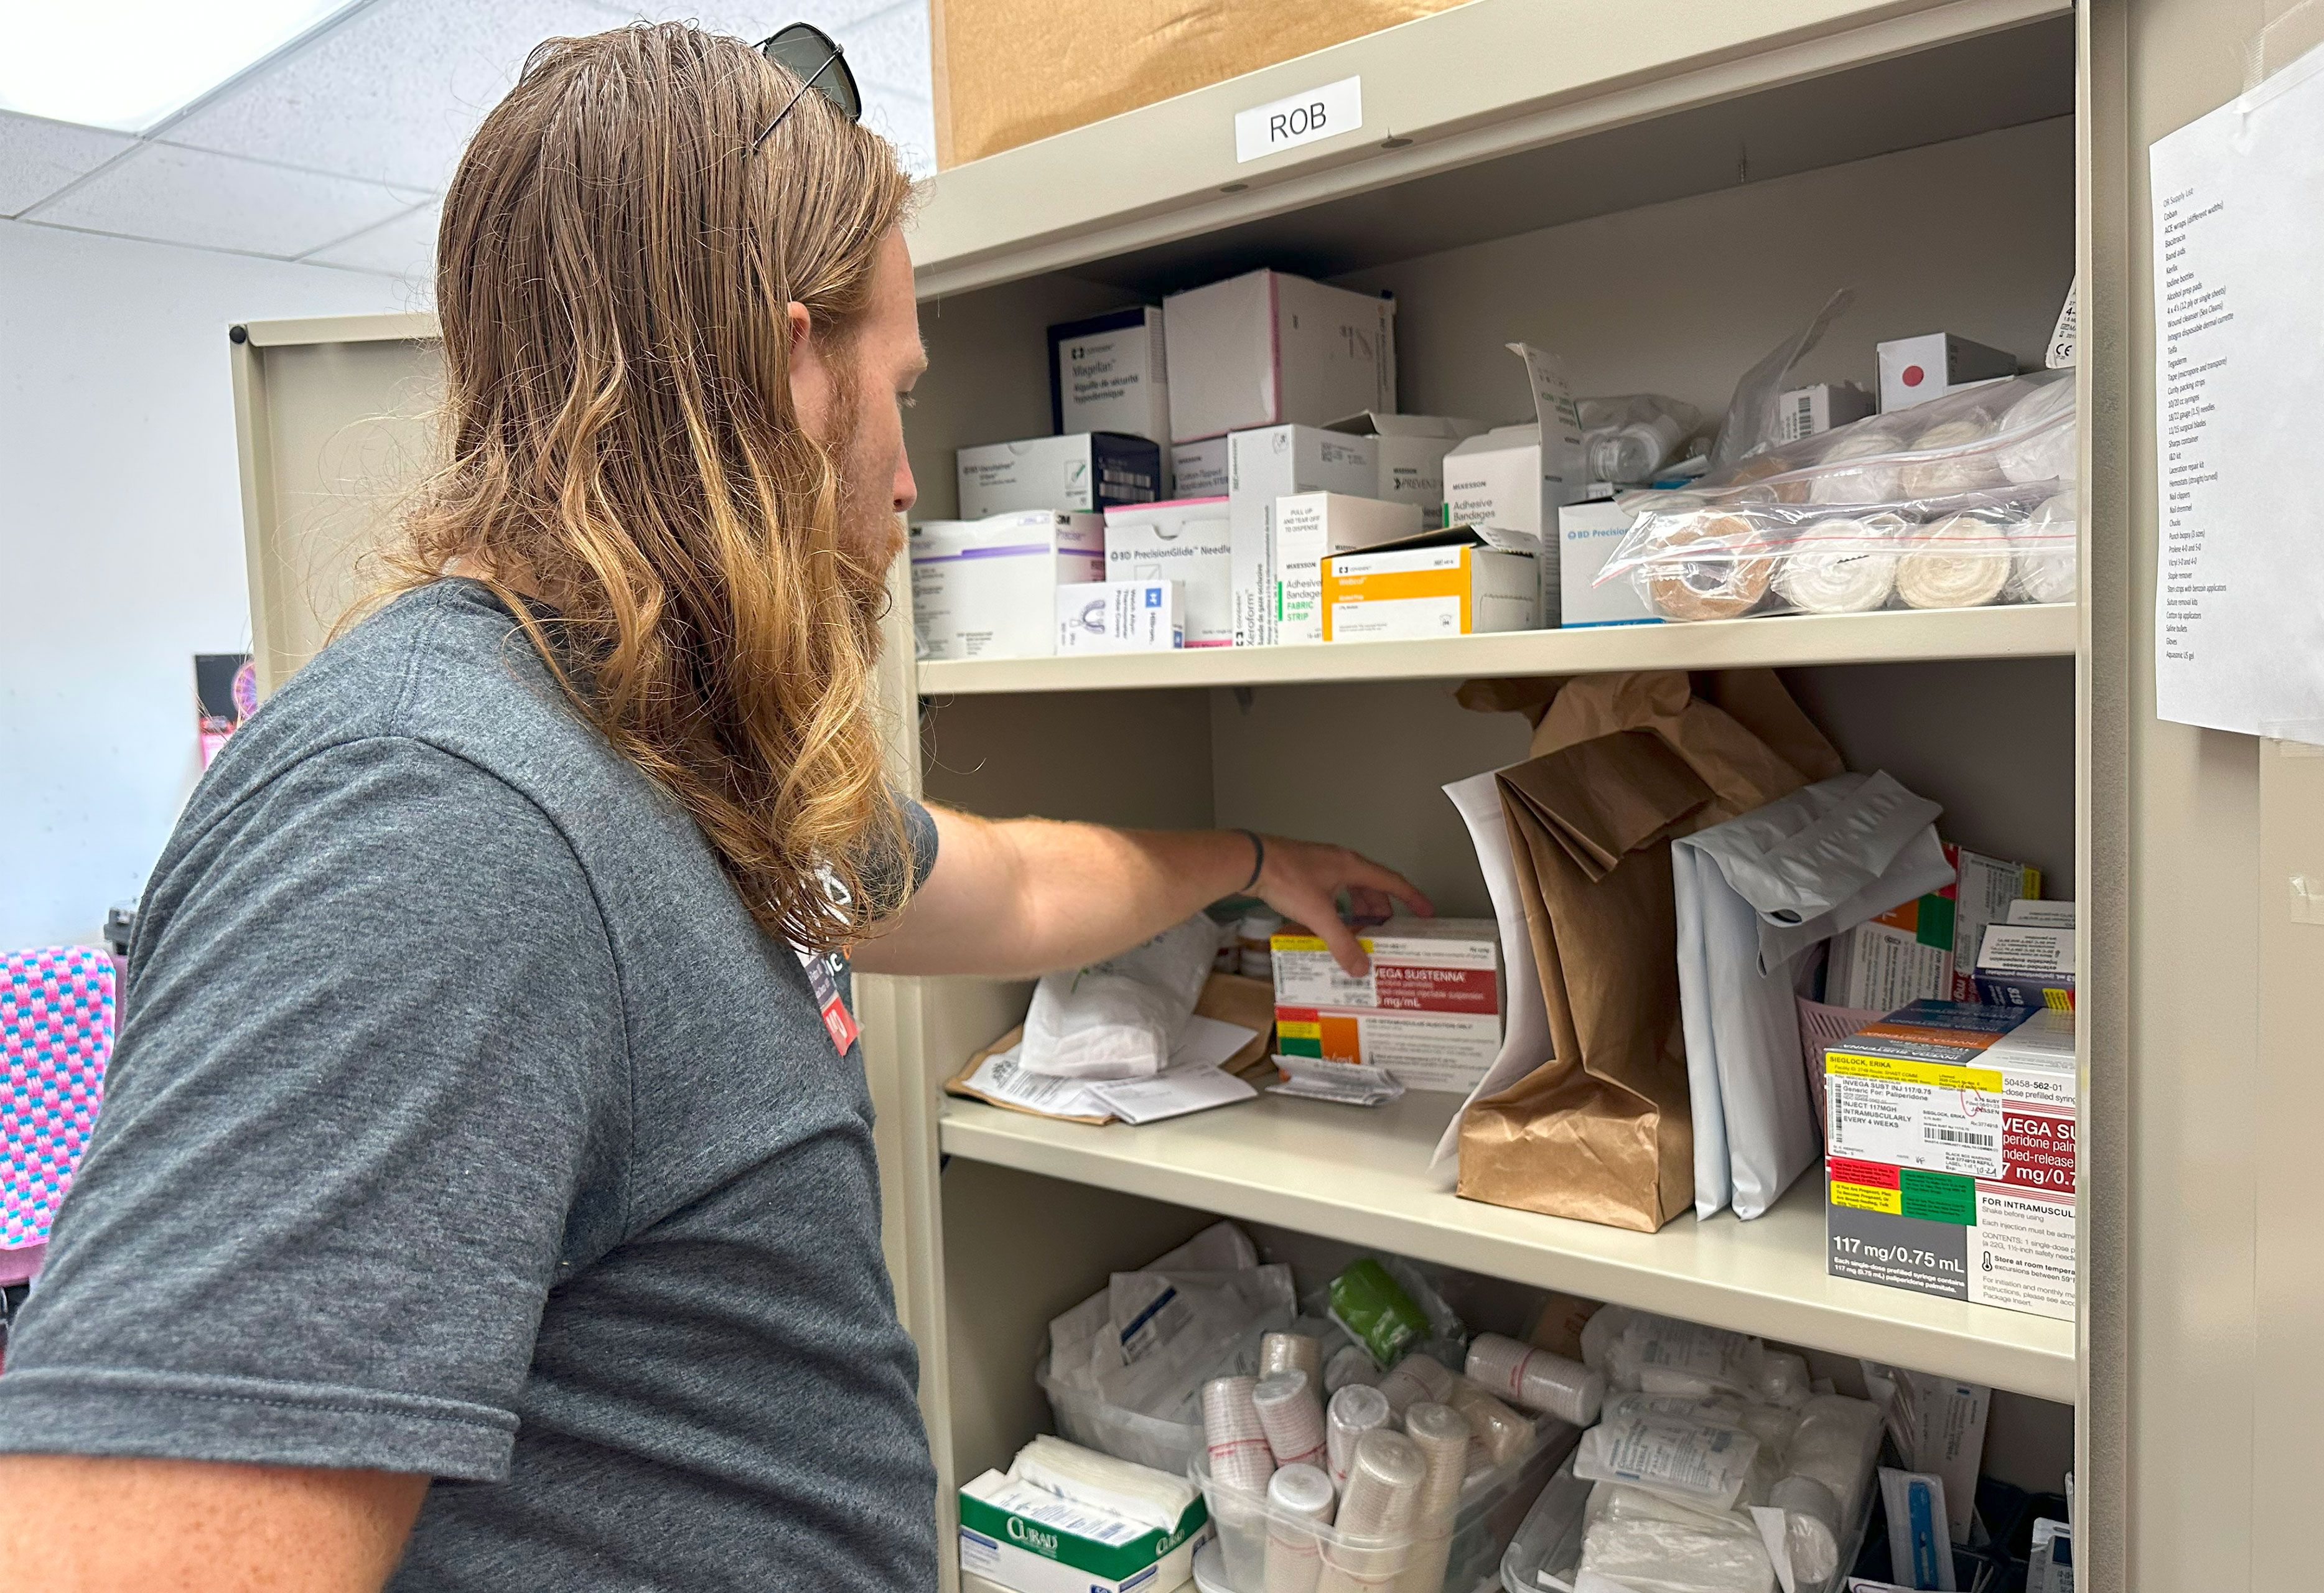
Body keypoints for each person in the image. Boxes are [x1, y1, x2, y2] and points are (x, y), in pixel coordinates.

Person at [0, 22, 1429, 1593]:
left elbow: (1013, 887)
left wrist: (1253, 858)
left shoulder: (668, 759)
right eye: (894, 390)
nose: (903, 480)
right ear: (787, 364)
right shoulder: (439, 817)